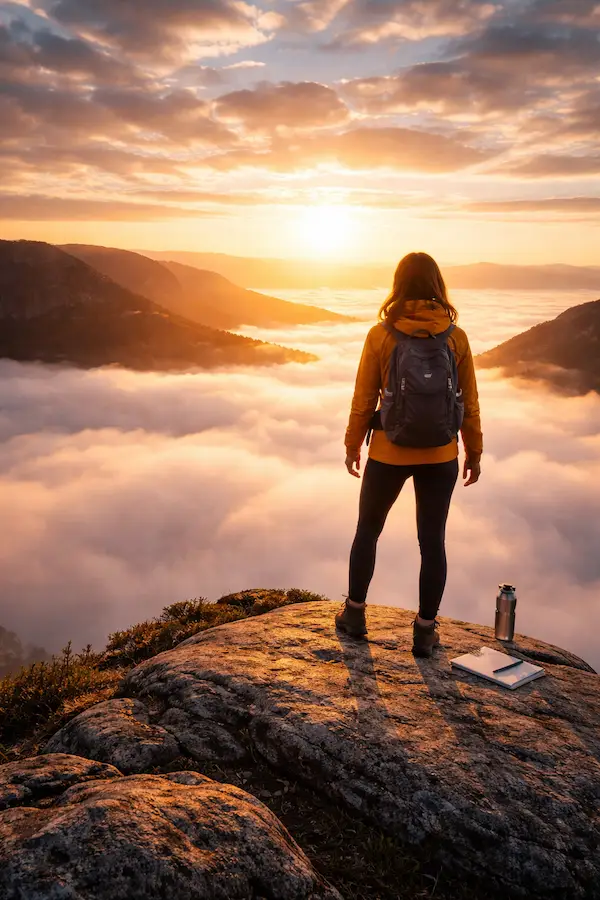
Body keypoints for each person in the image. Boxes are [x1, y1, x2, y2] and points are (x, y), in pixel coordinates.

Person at [335, 252, 483, 657]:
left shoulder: (381, 335)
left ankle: (354, 614)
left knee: (368, 530)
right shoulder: (456, 337)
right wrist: (474, 451)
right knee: (432, 541)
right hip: (440, 455)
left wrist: (352, 445)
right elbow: (468, 401)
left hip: (388, 451)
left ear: (398, 285)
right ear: (438, 287)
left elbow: (364, 398)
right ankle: (424, 630)